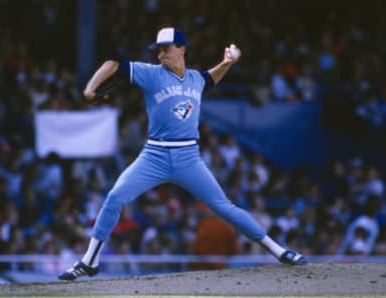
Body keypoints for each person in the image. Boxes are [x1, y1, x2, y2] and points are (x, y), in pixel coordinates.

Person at [58, 27, 307, 281]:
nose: (161, 54)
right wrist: (90, 89)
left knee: (224, 207)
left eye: (167, 48)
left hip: (188, 157)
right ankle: (90, 261)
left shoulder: (195, 79)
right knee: (114, 197)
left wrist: (228, 62)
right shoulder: (151, 74)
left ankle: (280, 252)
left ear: (182, 49)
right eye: (159, 50)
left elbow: (210, 78)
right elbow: (112, 64)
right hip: (153, 155)